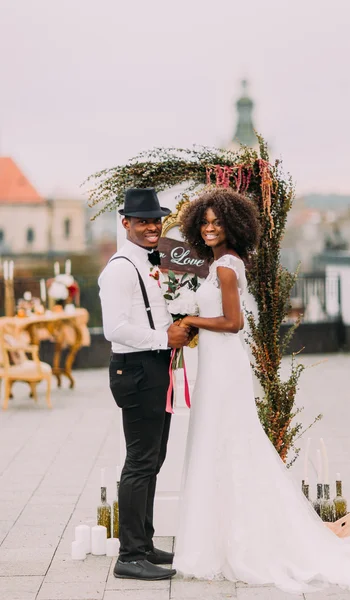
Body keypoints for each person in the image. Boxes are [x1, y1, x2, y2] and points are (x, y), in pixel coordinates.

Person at [172, 187, 350, 594]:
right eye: (204, 222)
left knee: (226, 442)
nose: (209, 228)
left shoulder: (226, 265)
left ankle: (230, 543)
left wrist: (191, 318)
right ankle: (221, 539)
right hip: (217, 363)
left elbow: (234, 322)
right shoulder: (224, 263)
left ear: (232, 225)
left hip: (224, 365)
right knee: (221, 443)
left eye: (216, 221)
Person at [99, 188, 189, 581]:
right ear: (126, 224)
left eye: (156, 220)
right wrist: (163, 339)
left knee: (153, 459)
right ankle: (130, 555)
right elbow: (114, 329)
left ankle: (145, 543)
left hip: (154, 367)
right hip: (135, 369)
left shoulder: (151, 262)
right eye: (143, 221)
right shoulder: (120, 269)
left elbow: (154, 312)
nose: (152, 227)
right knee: (139, 462)